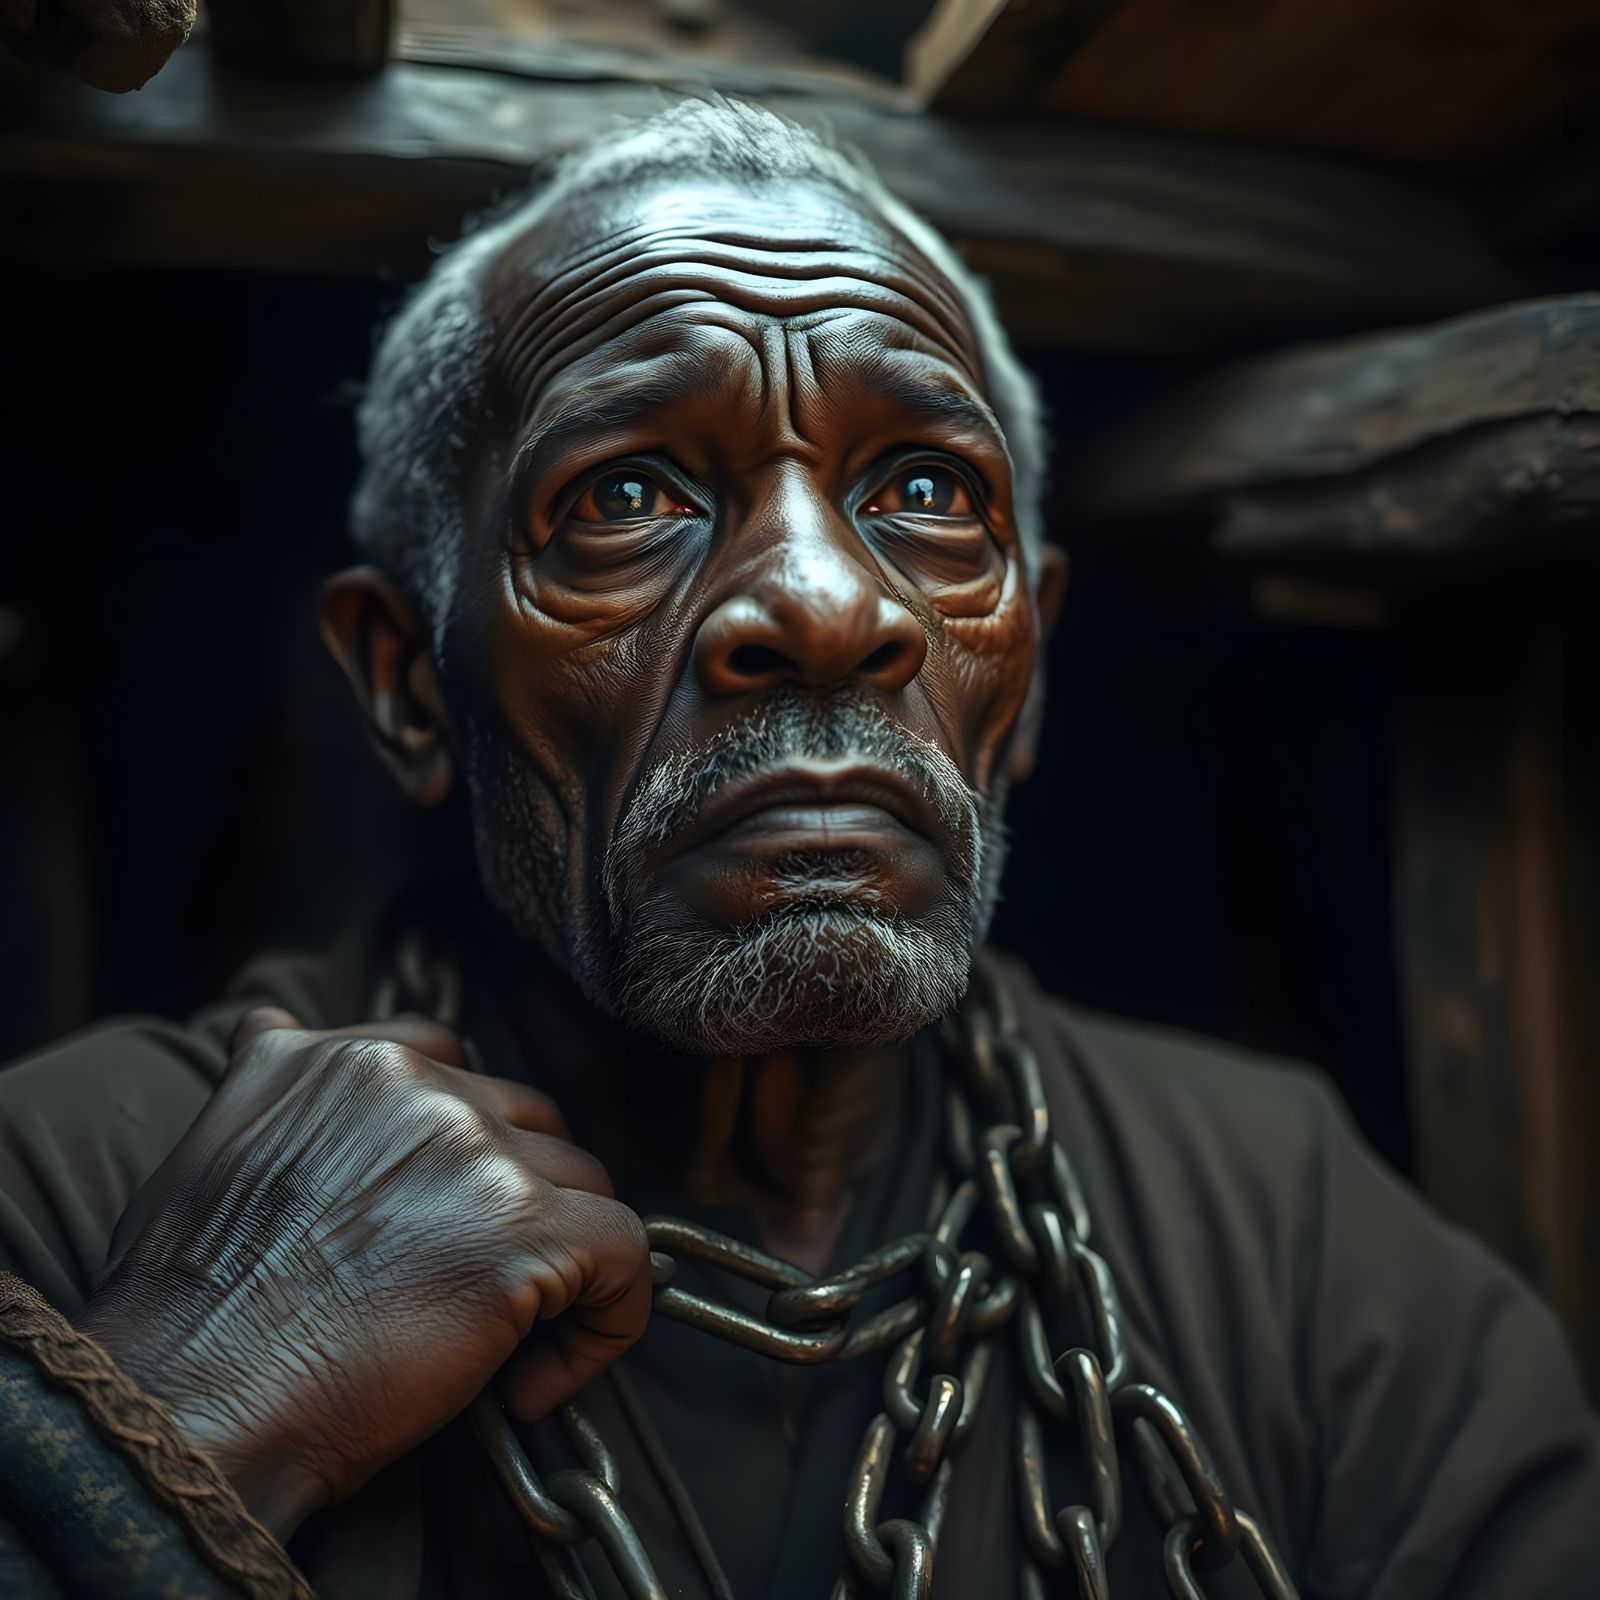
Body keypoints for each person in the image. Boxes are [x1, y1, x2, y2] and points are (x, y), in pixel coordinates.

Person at [0, 98, 1595, 1600]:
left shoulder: (1303, 1254)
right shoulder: (77, 1206)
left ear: (1028, 668)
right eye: (628, 493)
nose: (828, 607)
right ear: (410, 683)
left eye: (925, 488)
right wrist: (187, 1414)